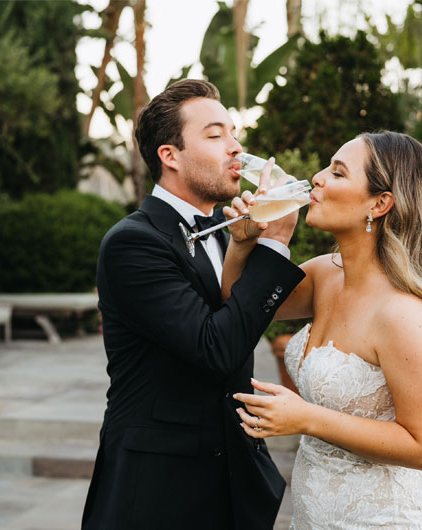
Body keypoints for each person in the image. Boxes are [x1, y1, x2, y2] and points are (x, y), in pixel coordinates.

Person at [81, 79, 305, 530]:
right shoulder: (133, 242)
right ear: (170, 156)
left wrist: (244, 250)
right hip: (159, 489)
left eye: (234, 133)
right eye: (215, 134)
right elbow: (214, 347)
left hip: (229, 479)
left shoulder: (226, 232)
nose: (236, 149)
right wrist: (277, 243)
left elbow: (233, 319)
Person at [222, 131, 422, 528]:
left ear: (380, 203)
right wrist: (243, 244)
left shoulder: (404, 313)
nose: (316, 178)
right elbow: (239, 305)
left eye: (337, 173)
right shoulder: (324, 275)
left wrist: (305, 419)